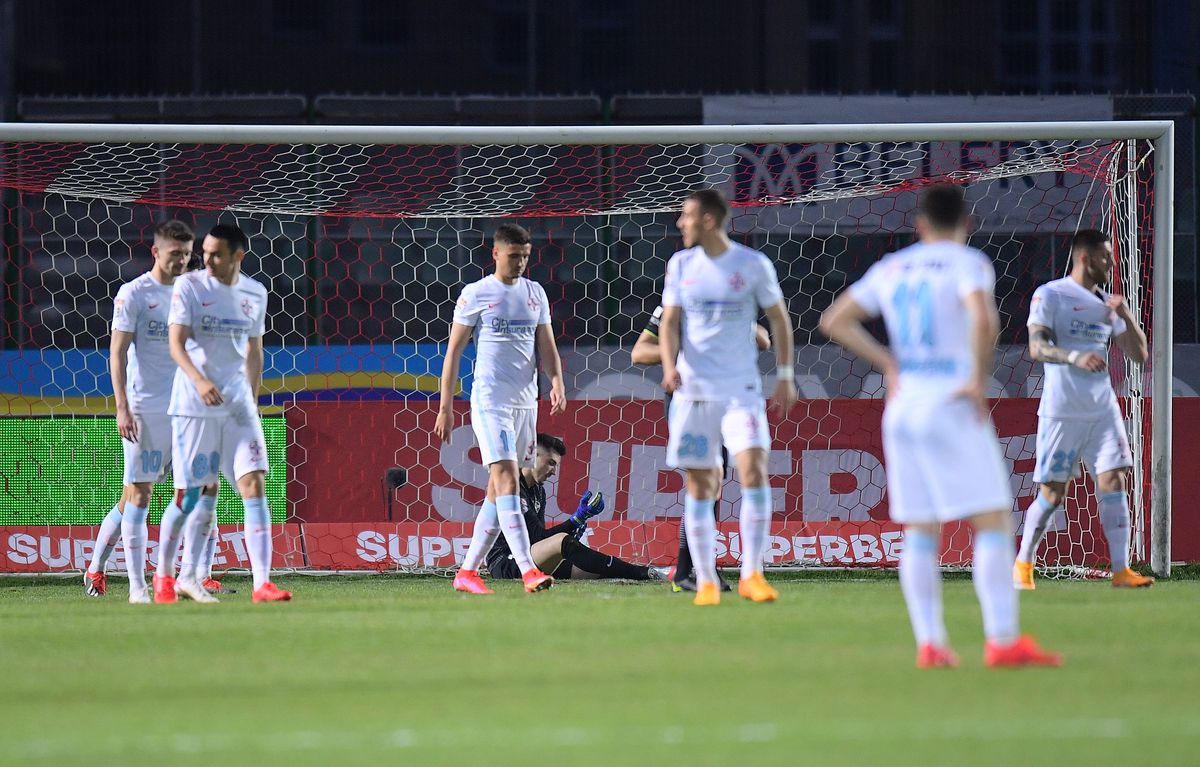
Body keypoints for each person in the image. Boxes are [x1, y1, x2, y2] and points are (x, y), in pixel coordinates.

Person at [820, 183, 1061, 668]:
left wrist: (889, 363)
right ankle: (1002, 640)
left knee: (920, 529)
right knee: (992, 520)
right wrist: (976, 376)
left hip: (903, 406)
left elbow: (834, 320)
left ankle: (930, 644)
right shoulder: (968, 263)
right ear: (967, 223)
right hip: (950, 400)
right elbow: (983, 319)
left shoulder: (893, 267)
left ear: (920, 225)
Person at [658, 188, 798, 607]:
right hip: (695, 394)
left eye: (686, 216)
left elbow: (780, 321)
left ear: (708, 220)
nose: (680, 223)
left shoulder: (752, 265)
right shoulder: (681, 265)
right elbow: (669, 323)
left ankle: (752, 574)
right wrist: (669, 365)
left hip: (741, 391)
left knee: (753, 469)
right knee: (703, 484)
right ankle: (705, 581)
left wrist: (785, 375)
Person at [157, 222, 291, 604]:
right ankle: (168, 575)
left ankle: (262, 583)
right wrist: (200, 381)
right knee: (193, 495)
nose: (207, 260)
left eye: (216, 254)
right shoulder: (190, 286)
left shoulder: (255, 292)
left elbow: (254, 351)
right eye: (205, 253)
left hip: (237, 405)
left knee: (254, 484)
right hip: (193, 405)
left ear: (238, 256)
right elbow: (175, 344)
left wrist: (251, 399)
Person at [1014, 229, 1153, 590]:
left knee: (1114, 479)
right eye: (1106, 257)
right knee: (1052, 494)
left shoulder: (1107, 303)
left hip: (1102, 410)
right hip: (1062, 411)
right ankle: (1023, 563)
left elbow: (1140, 355)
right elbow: (1037, 347)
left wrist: (1126, 314)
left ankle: (1121, 570)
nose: (1111, 263)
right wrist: (1074, 356)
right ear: (1086, 259)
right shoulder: (1051, 294)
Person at [435, 223, 567, 595]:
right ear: (496, 254)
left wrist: (556, 381)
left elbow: (547, 345)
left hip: (526, 403)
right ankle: (528, 570)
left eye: (525, 256)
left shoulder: (535, 293)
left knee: (498, 490)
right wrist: (445, 407)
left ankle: (466, 573)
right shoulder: (477, 293)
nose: (520, 262)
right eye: (513, 256)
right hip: (491, 402)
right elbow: (453, 352)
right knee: (508, 479)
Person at [83, 220, 205, 604]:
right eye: (175, 254)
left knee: (195, 490)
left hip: (185, 410)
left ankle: (188, 574)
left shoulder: (193, 293)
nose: (181, 261)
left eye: (187, 254)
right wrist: (122, 407)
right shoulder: (134, 293)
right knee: (139, 494)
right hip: (145, 410)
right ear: (156, 252)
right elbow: (117, 353)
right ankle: (135, 586)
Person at [632, 306, 770, 592]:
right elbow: (640, 352)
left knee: (714, 484)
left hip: (725, 397)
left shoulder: (728, 302)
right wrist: (683, 354)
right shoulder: (673, 307)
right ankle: (685, 572)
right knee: (703, 482)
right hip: (688, 400)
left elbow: (763, 339)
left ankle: (697, 568)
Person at [486, 433, 670, 582]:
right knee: (563, 542)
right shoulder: (512, 488)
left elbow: (539, 538)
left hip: (528, 557)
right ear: (532, 456)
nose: (554, 471)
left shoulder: (538, 492)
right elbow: (539, 538)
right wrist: (574, 521)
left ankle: (648, 574)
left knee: (591, 570)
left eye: (556, 466)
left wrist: (577, 521)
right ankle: (643, 572)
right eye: (551, 463)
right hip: (505, 562)